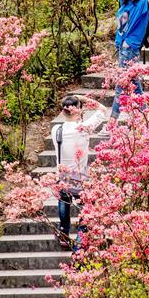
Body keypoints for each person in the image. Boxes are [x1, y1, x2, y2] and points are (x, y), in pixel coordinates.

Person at [52, 94, 109, 249]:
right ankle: (79, 240)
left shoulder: (56, 130)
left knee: (64, 200)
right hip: (81, 177)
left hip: (63, 177)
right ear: (78, 109)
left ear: (63, 112)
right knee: (87, 208)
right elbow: (102, 109)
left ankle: (64, 233)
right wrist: (82, 99)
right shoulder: (84, 128)